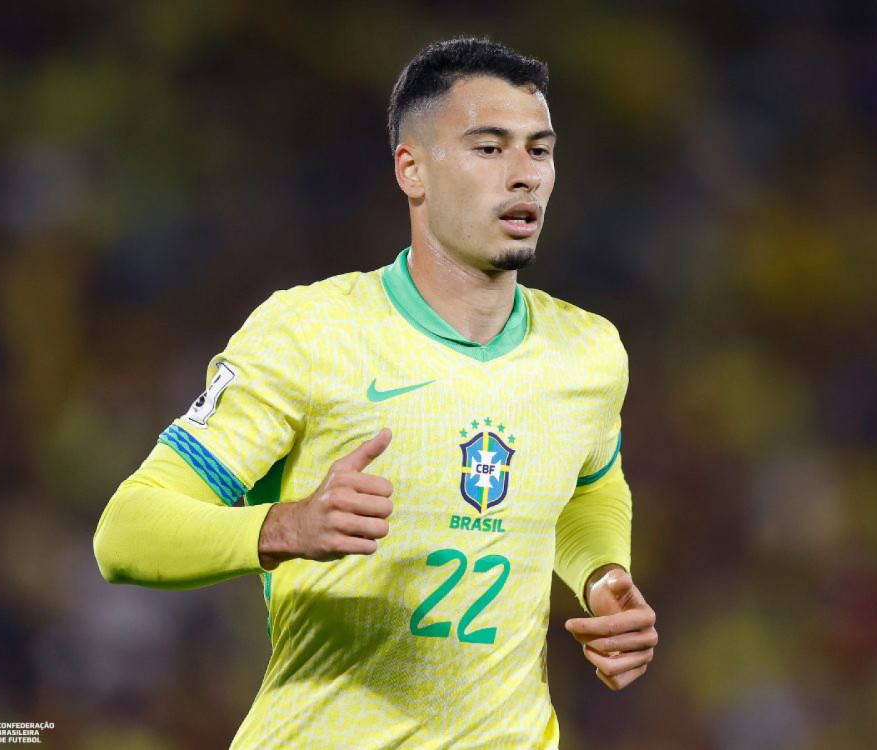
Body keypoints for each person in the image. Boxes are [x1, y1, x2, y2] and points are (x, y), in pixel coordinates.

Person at [93, 36, 657, 749]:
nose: (524, 176)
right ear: (411, 169)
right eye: (489, 149)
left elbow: (588, 487)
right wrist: (284, 527)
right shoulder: (311, 333)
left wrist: (601, 574)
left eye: (539, 151)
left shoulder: (588, 352)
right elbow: (125, 533)